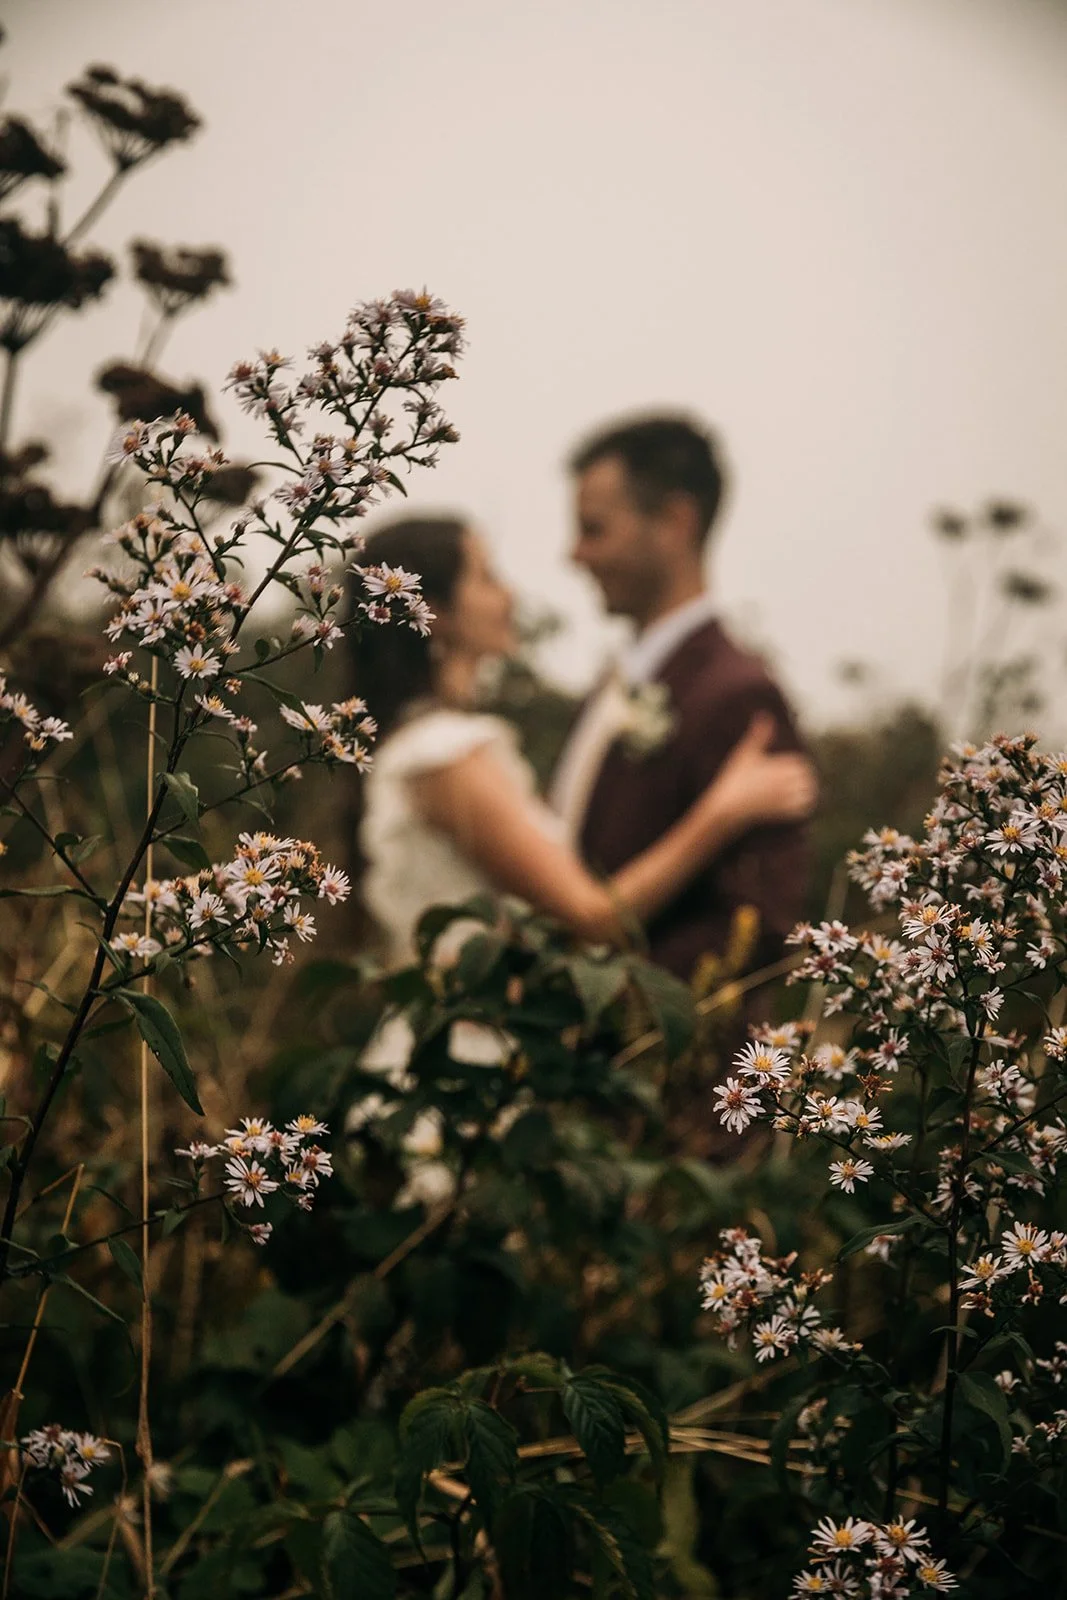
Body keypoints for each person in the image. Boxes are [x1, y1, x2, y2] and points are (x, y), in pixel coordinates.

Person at [347, 514, 816, 968]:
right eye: (486, 578)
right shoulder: (443, 755)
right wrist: (721, 813)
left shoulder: (432, 745)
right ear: (435, 610)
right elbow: (595, 917)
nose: (508, 593)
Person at [550, 414, 811, 984]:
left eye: (594, 529)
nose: (575, 555)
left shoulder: (742, 697)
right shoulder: (610, 686)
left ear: (674, 521)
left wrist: (591, 1014)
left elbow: (753, 924)